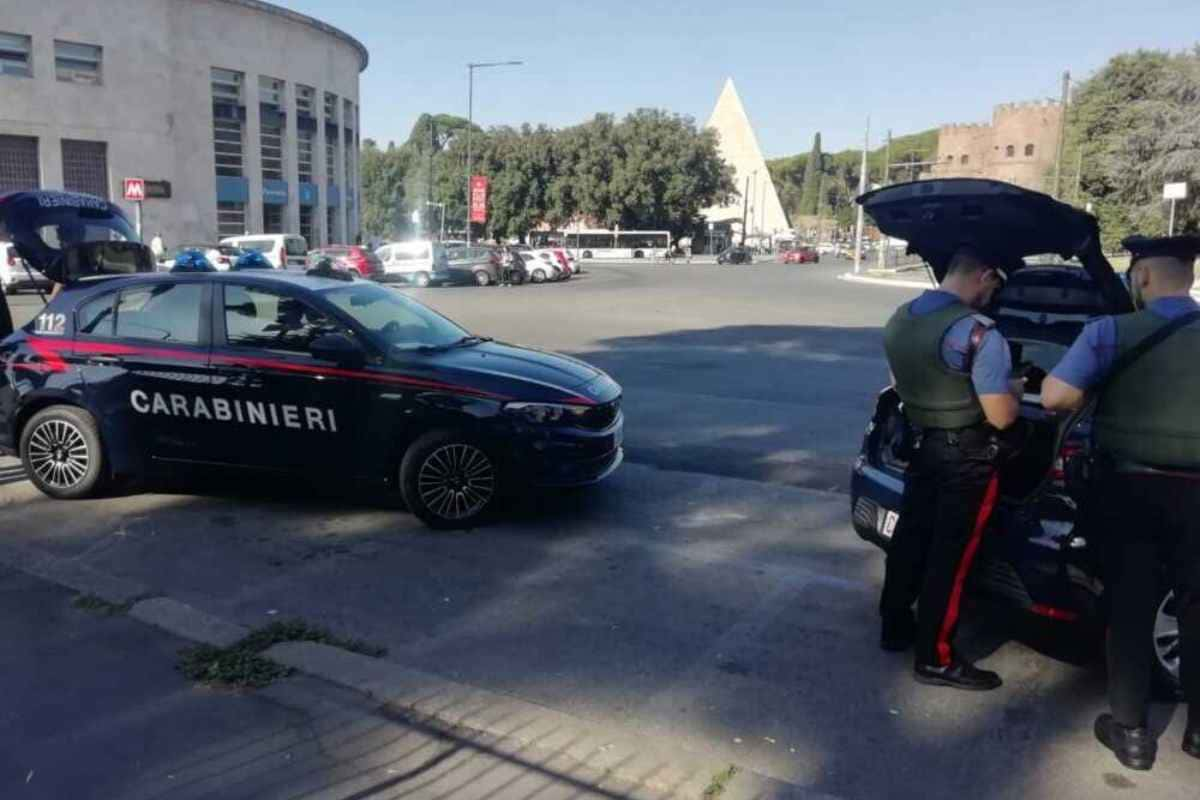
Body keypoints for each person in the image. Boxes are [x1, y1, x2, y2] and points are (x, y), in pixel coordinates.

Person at [1042, 234, 1200, 771]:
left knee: (1131, 607)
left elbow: (1055, 397)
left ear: (1143, 278)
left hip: (1131, 491)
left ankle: (1131, 734)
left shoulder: (1110, 331)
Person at [878, 245, 1024, 691]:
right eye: (994, 285)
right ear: (981, 275)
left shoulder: (901, 319)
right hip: (968, 458)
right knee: (952, 557)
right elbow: (1001, 417)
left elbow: (902, 383)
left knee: (909, 540)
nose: (993, 296)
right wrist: (1014, 388)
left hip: (922, 447)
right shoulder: (979, 334)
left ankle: (895, 627)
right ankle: (937, 658)